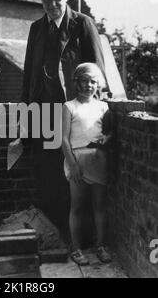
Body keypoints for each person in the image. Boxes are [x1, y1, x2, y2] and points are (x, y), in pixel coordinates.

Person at [21, 0, 107, 241]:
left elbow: (97, 72)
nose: (52, 5)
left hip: (78, 115)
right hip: (45, 115)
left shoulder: (83, 24)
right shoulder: (36, 29)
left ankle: (85, 242)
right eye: (47, 0)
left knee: (80, 178)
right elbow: (28, 77)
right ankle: (57, 238)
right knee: (49, 175)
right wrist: (26, 118)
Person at [62, 62, 112, 265]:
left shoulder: (103, 106)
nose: (88, 85)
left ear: (98, 84)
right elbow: (63, 139)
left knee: (99, 206)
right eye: (84, 80)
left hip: (98, 159)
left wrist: (105, 140)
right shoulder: (69, 106)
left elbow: (109, 133)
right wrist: (72, 164)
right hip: (77, 160)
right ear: (76, 83)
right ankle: (77, 249)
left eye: (93, 81)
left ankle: (101, 246)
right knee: (78, 207)